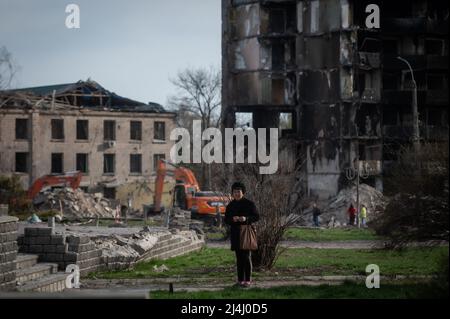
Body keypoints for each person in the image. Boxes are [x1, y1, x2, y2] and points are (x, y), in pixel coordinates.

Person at [224, 182, 259, 288]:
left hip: (246, 232)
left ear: (243, 192)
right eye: (235, 192)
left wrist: (246, 219)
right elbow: (226, 219)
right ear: (232, 193)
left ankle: (247, 280)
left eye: (239, 191)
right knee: (239, 258)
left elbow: (257, 216)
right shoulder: (230, 205)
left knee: (246, 257)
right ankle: (240, 280)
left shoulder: (249, 204)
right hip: (235, 233)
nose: (237, 193)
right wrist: (232, 219)